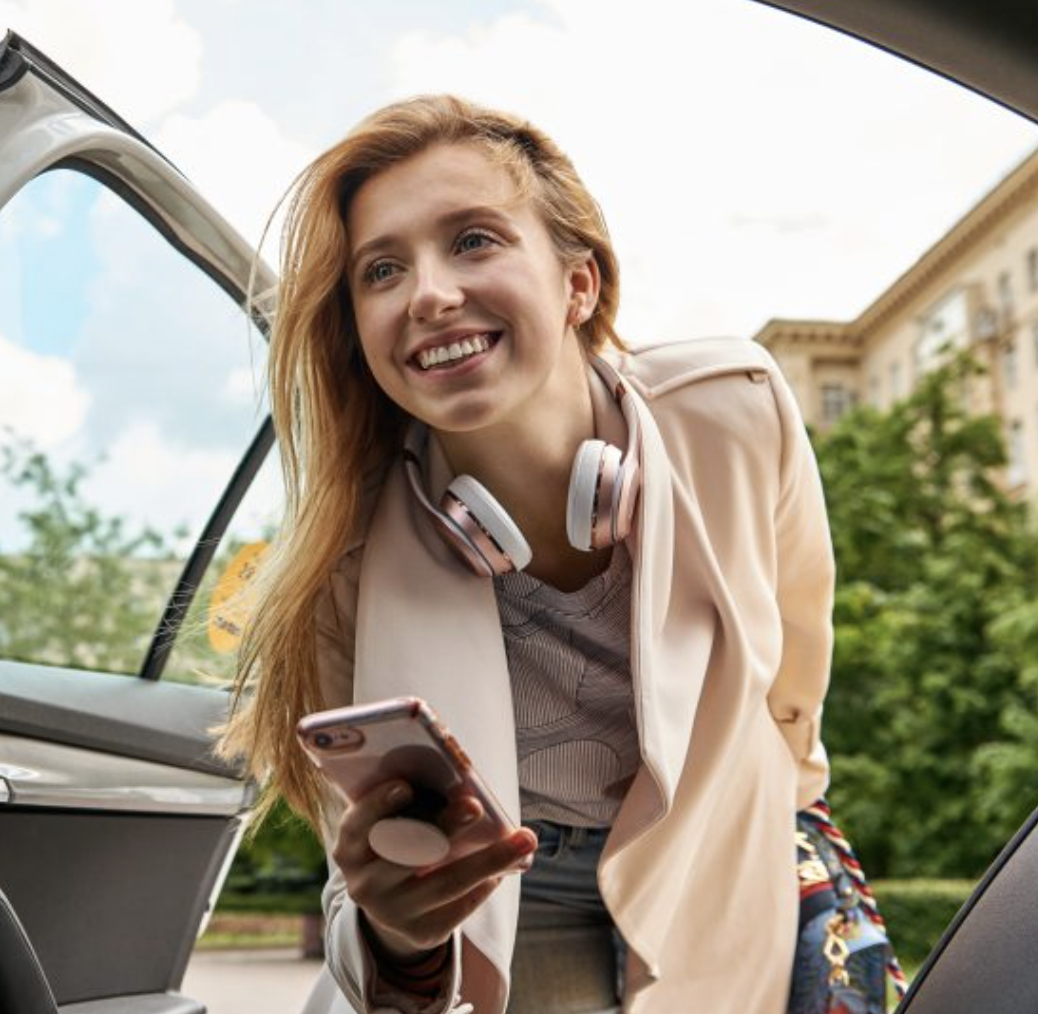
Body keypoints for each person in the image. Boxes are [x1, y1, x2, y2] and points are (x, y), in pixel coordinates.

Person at [218, 95, 835, 1014]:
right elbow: (368, 885)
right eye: (382, 270)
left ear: (578, 284)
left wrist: (782, 817)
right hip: (512, 901)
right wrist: (403, 938)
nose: (427, 293)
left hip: (722, 859)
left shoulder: (735, 409)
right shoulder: (340, 563)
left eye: (472, 240)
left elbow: (793, 669)